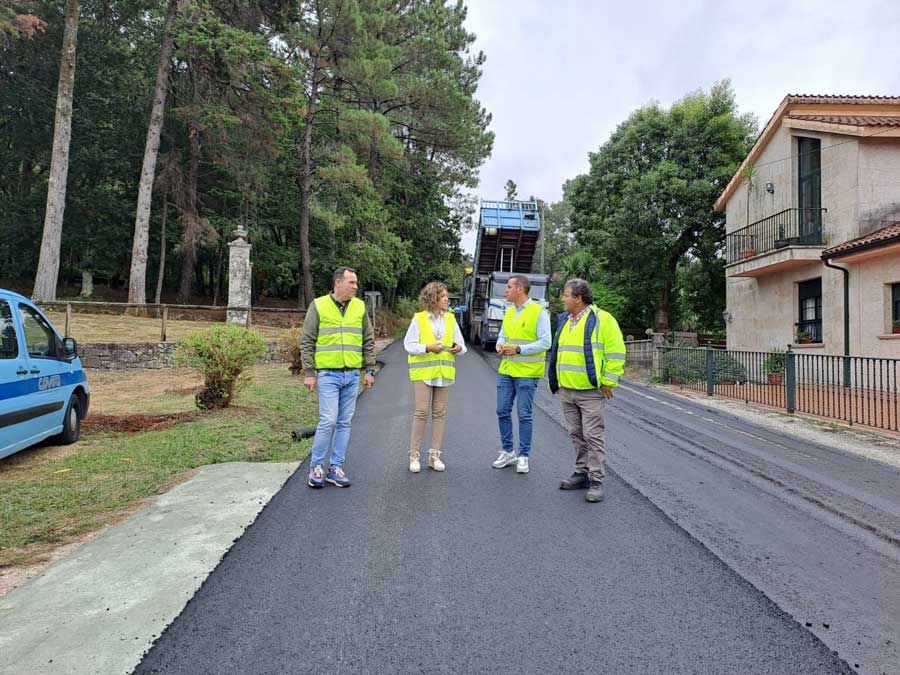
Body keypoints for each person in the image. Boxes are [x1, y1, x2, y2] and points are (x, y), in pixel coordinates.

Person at [547, 278, 626, 503]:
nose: (563, 299)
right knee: (576, 434)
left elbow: (616, 352)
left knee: (593, 436)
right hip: (567, 389)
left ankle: (596, 480)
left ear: (578, 298)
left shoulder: (603, 320)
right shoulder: (566, 320)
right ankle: (581, 472)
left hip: (590, 391)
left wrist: (609, 380)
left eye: (566, 295)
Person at [299, 267, 376, 489]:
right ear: (338, 283)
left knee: (344, 422)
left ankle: (335, 468)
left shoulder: (359, 307)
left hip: (352, 374)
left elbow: (368, 339)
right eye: (351, 282)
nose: (355, 287)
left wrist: (370, 370)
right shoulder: (319, 305)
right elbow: (307, 341)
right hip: (328, 374)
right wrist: (309, 373)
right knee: (328, 420)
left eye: (356, 283)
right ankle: (316, 466)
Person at [403, 281, 467, 473]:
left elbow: (462, 346)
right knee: (421, 412)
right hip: (423, 373)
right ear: (433, 298)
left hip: (443, 372)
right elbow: (409, 345)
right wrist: (427, 348)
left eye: (447, 296)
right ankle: (414, 456)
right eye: (443, 296)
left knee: (439, 414)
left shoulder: (451, 319)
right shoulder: (419, 318)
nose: (447, 299)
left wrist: (458, 348)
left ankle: (435, 456)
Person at [492, 274, 551, 474]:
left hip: (527, 372)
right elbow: (503, 334)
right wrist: (500, 344)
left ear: (520, 289)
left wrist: (519, 349)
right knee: (502, 411)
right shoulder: (509, 311)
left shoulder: (539, 312)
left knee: (524, 414)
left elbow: (546, 342)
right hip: (507, 370)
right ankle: (508, 452)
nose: (506, 290)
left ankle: (524, 455)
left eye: (509, 287)